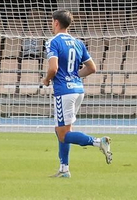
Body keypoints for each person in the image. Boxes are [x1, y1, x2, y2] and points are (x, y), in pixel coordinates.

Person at [42, 9, 112, 177]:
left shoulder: (53, 42)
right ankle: (64, 169)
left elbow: (53, 68)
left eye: (52, 22)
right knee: (63, 130)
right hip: (78, 90)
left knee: (63, 134)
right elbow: (92, 68)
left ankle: (98, 142)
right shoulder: (78, 43)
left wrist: (46, 80)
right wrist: (73, 76)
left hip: (64, 92)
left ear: (56, 22)